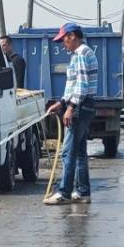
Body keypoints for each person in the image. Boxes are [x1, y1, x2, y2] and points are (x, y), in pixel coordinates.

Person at [44, 23, 97, 205]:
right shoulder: (82, 53)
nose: (62, 44)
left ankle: (64, 192)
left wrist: (71, 107)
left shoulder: (82, 53)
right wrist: (61, 103)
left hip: (81, 107)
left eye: (64, 39)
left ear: (72, 36)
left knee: (67, 152)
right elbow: (75, 85)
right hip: (85, 105)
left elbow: (81, 85)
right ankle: (83, 191)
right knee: (80, 152)